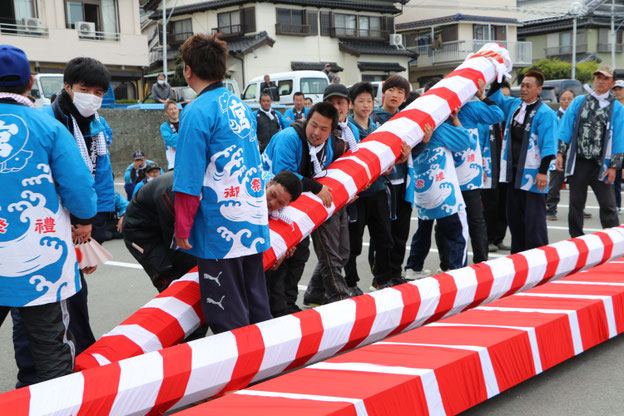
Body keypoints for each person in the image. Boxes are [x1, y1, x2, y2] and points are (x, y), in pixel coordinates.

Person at [0, 45, 97, 385]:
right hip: (38, 256)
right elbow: (78, 183)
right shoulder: (47, 126)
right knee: (51, 347)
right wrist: (85, 219)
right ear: (29, 82)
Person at [173, 33, 272, 334]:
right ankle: (270, 369)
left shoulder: (196, 110)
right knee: (256, 305)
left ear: (188, 70)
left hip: (220, 227)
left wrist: (182, 227)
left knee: (227, 314)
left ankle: (244, 377)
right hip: (252, 217)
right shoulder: (240, 106)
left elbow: (188, 177)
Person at [262, 102, 348, 306]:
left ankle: (289, 303)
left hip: (294, 205)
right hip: (269, 202)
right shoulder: (289, 138)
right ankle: (276, 308)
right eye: (313, 125)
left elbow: (326, 173)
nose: (316, 132)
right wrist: (316, 187)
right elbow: (283, 177)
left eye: (324, 129)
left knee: (300, 253)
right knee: (279, 258)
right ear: (306, 120)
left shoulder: (328, 144)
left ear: (331, 131)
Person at [435, 81, 504, 269]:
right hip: (446, 174)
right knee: (445, 221)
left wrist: (482, 96)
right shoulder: (436, 113)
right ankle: (448, 263)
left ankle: (481, 262)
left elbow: (498, 115)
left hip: (468, 173)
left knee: (475, 219)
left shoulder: (471, 108)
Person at [489, 70, 557, 253]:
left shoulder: (545, 113)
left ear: (539, 89)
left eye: (528, 86)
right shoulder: (515, 106)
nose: (524, 89)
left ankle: (540, 263)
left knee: (534, 223)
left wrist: (543, 172)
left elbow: (549, 145)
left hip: (533, 175)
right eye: (523, 85)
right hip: (513, 173)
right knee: (515, 221)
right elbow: (496, 99)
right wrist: (498, 75)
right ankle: (519, 262)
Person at [556, 65, 624, 237]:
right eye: (598, 77)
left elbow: (619, 138)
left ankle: (614, 243)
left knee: (608, 205)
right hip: (579, 161)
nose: (600, 81)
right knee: (576, 204)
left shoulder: (617, 107)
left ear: (612, 82)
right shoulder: (580, 101)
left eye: (605, 78)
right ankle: (576, 240)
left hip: (602, 163)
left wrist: (614, 166)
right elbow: (566, 128)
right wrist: (560, 153)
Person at [405, 110, 472, 276]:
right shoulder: (437, 128)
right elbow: (466, 141)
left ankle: (414, 267)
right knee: (457, 233)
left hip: (422, 191)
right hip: (444, 192)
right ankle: (457, 271)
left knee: (423, 231)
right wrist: (455, 119)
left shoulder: (409, 129)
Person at [344, 82, 395, 290]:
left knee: (384, 237)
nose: (366, 105)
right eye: (361, 101)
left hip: (378, 191)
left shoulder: (377, 128)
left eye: (369, 101)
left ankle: (382, 278)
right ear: (351, 105)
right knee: (354, 243)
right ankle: (351, 282)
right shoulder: (347, 130)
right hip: (357, 195)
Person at [371, 75, 413, 281]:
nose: (395, 95)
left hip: (403, 183)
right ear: (383, 92)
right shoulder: (373, 119)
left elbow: (413, 150)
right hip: (383, 184)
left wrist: (424, 140)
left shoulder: (407, 120)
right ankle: (380, 276)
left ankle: (396, 273)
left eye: (400, 92)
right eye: (391, 90)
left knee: (401, 232)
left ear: (405, 98)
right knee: (382, 233)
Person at [546, 89, 576, 221]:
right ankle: (551, 208)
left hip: (574, 153)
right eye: (563, 99)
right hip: (558, 154)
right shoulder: (554, 115)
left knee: (577, 184)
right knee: (555, 182)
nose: (566, 102)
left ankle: (578, 209)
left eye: (569, 99)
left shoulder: (578, 115)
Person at [611, 80, 624, 212]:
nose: (617, 92)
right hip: (615, 147)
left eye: (620, 89)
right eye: (615, 89)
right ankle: (615, 204)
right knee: (615, 177)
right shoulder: (611, 106)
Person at [160, 100, 180, 170]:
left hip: (187, 160)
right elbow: (169, 140)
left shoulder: (185, 123)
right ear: (166, 113)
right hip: (173, 163)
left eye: (175, 108)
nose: (174, 111)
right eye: (171, 109)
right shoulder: (164, 127)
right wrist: (185, 136)